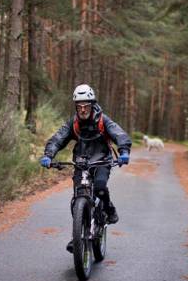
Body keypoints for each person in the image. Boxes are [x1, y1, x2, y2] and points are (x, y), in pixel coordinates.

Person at [40, 84, 132, 252]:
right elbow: (58, 138)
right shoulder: (73, 123)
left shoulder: (103, 120)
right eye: (79, 106)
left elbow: (119, 134)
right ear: (76, 107)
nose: (83, 109)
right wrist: (48, 155)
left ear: (92, 104)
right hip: (81, 161)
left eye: (86, 105)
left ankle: (109, 209)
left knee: (100, 187)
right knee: (77, 199)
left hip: (102, 160)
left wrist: (124, 151)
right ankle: (78, 235)